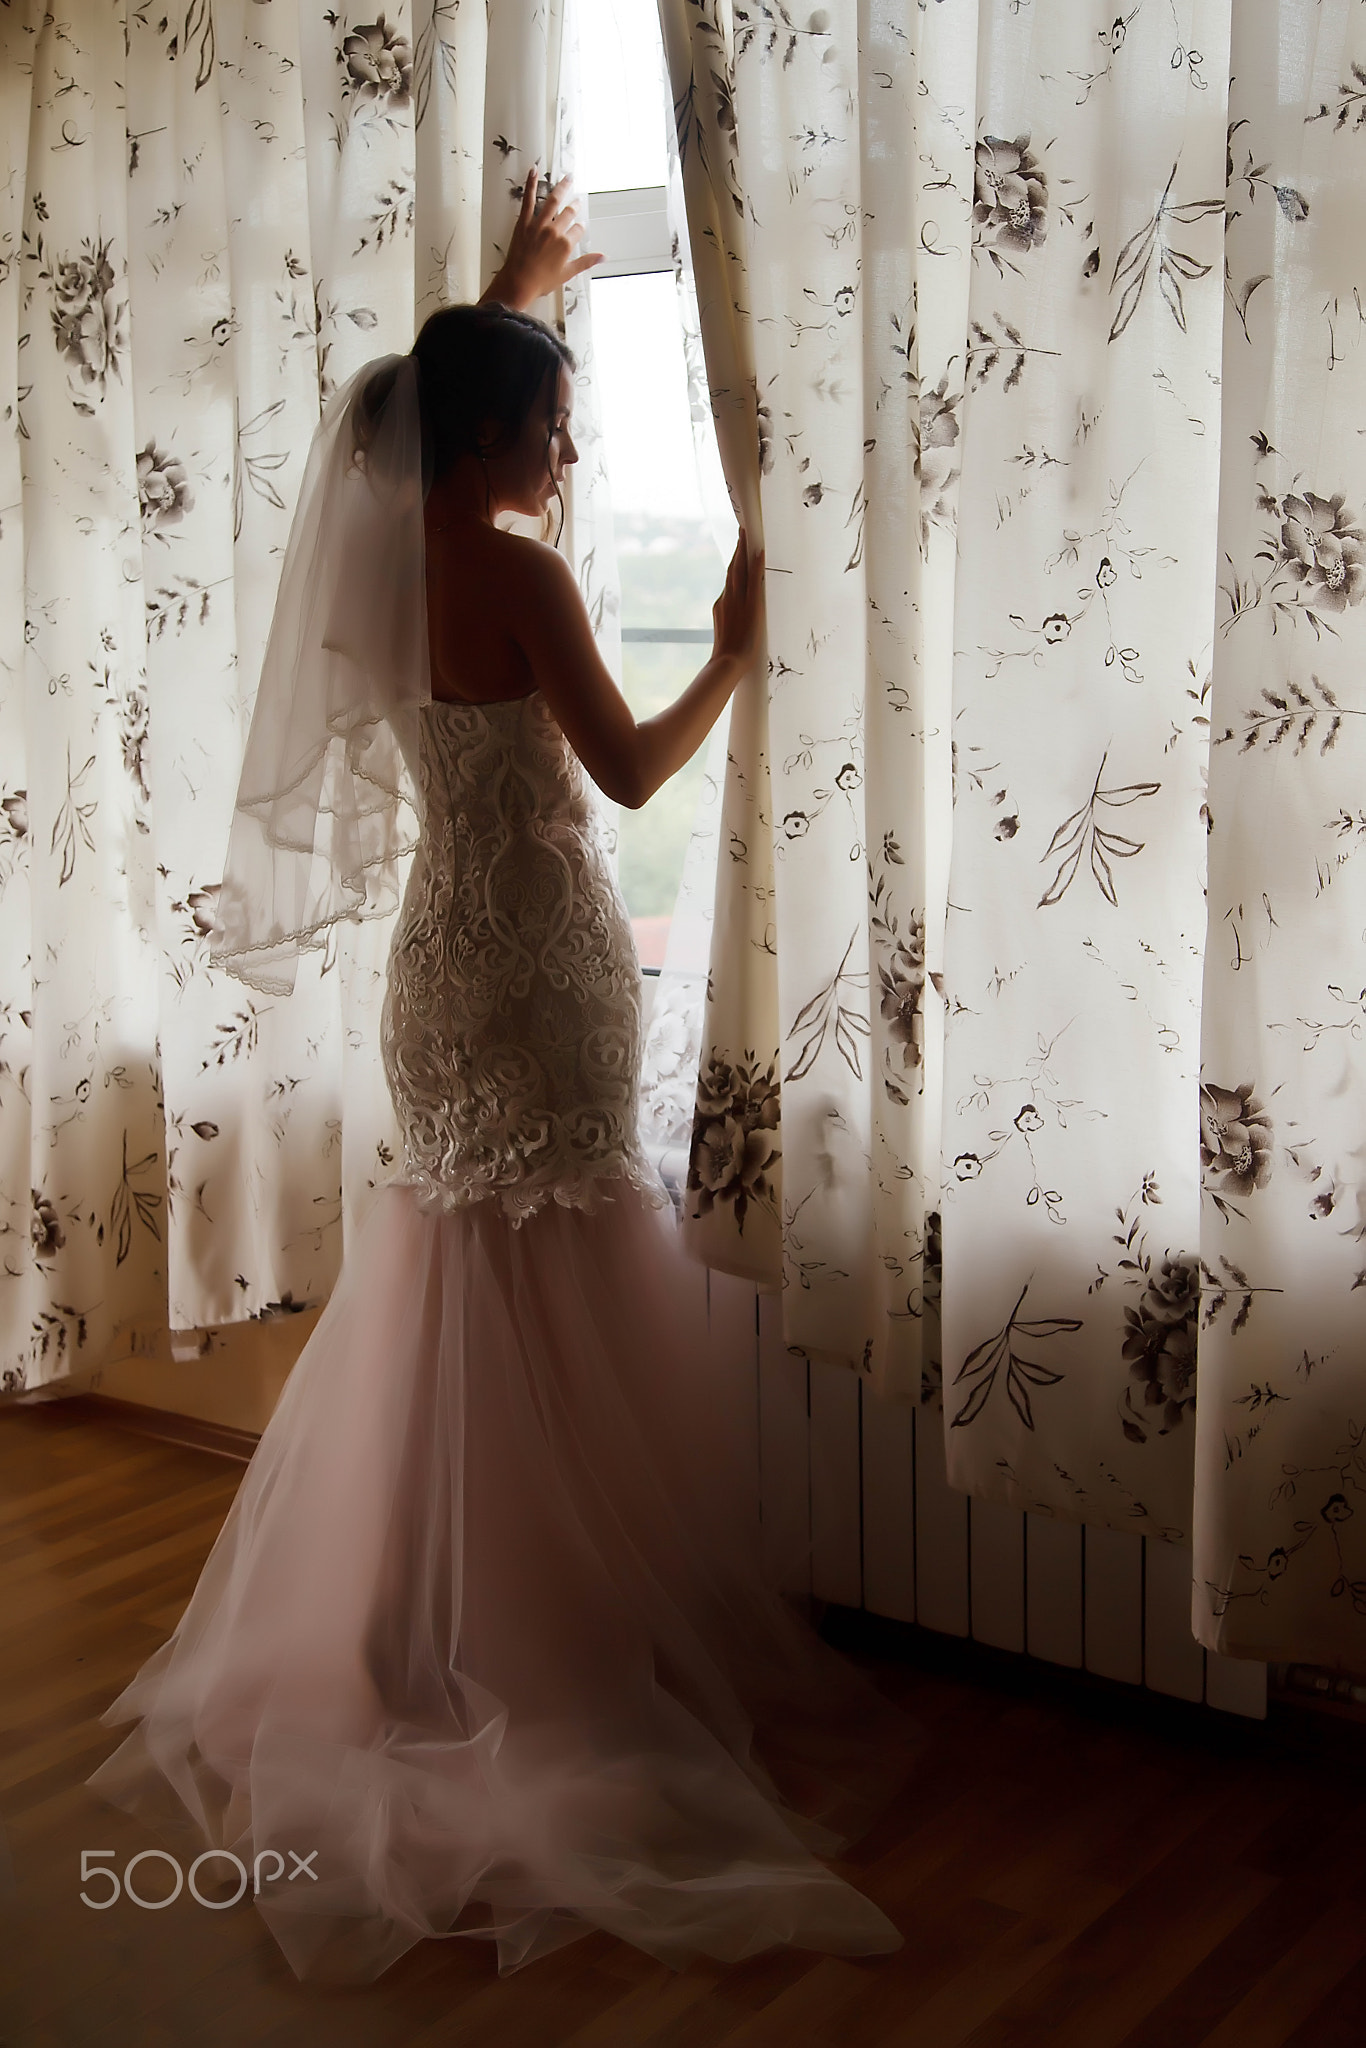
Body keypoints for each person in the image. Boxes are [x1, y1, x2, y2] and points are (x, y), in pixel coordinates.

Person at [88, 171, 922, 1984]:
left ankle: (415, 1637)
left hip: (433, 980)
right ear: (489, 431)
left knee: (458, 1281)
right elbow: (622, 775)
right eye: (551, 415)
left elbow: (416, 444)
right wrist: (724, 655)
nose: (569, 440)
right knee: (542, 1286)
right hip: (540, 964)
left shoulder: (390, 560)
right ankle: (536, 1646)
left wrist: (514, 294)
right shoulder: (526, 572)